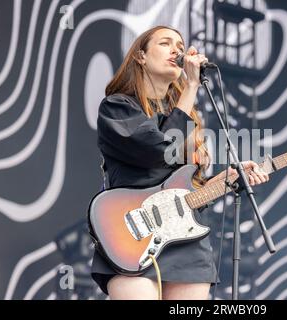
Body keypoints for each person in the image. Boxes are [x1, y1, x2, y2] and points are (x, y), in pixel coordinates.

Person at [90, 25, 269, 300]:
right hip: (132, 237)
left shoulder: (190, 119)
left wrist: (228, 179)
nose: (177, 50)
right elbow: (157, 150)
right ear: (140, 56)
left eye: (181, 45)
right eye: (165, 43)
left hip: (186, 246)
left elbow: (189, 192)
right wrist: (192, 85)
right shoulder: (118, 107)